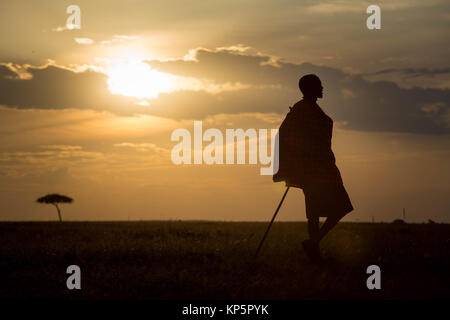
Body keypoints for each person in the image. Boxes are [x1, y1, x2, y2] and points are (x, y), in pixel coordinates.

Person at [273, 74, 354, 261]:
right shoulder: (300, 111)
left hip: (323, 168)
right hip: (310, 170)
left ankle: (314, 242)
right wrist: (288, 167)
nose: (322, 88)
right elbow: (285, 137)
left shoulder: (310, 110)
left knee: (340, 207)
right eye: (319, 85)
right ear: (310, 88)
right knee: (316, 211)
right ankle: (314, 251)